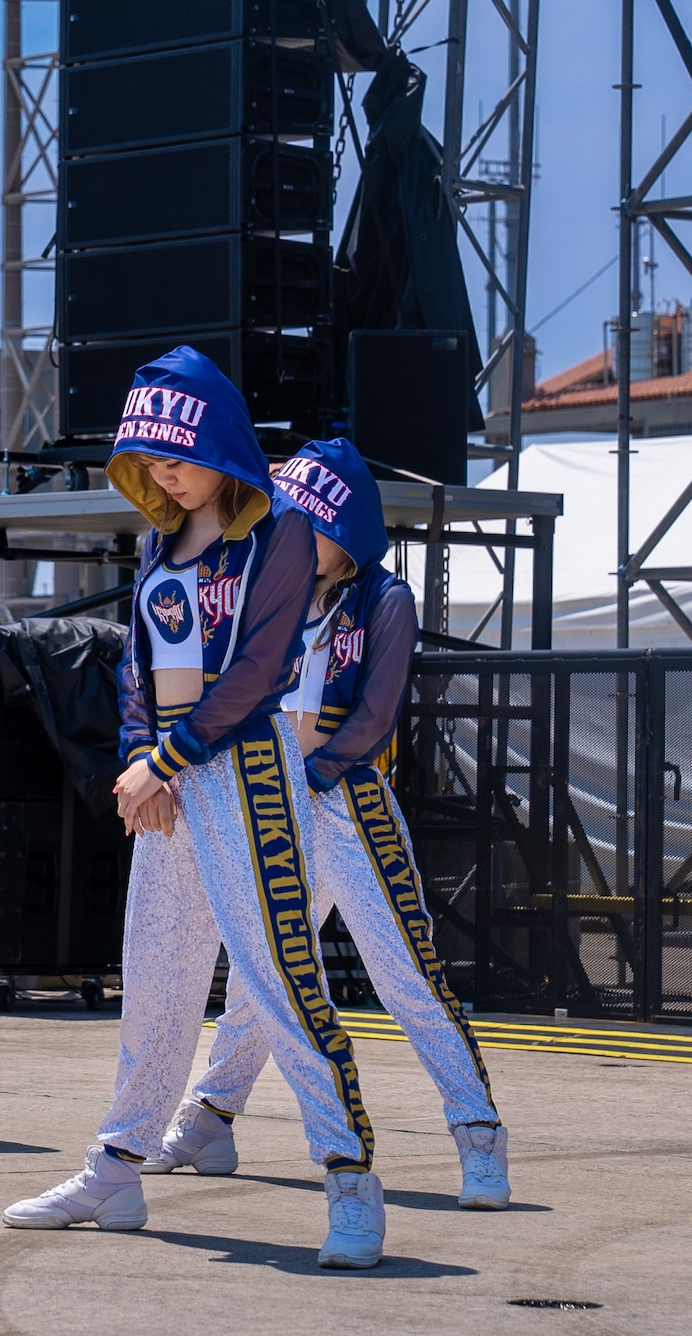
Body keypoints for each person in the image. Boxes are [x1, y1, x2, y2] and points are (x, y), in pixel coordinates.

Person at [2, 348, 384, 1269]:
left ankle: (350, 1180)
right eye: (152, 456)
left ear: (223, 444)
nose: (166, 470)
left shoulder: (281, 533)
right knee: (157, 985)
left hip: (246, 772)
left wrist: (166, 757)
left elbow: (260, 667)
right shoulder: (157, 543)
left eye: (181, 451)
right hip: (169, 784)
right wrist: (145, 760)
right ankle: (118, 1167)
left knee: (280, 979)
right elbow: (138, 665)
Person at [142, 436, 511, 1211]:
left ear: (346, 530)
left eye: (310, 524)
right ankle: (212, 1117)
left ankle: (478, 1133)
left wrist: (304, 778)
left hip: (349, 809)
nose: (293, 535)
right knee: (262, 974)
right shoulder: (257, 584)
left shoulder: (384, 599)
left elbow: (374, 718)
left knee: (406, 974)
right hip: (273, 802)